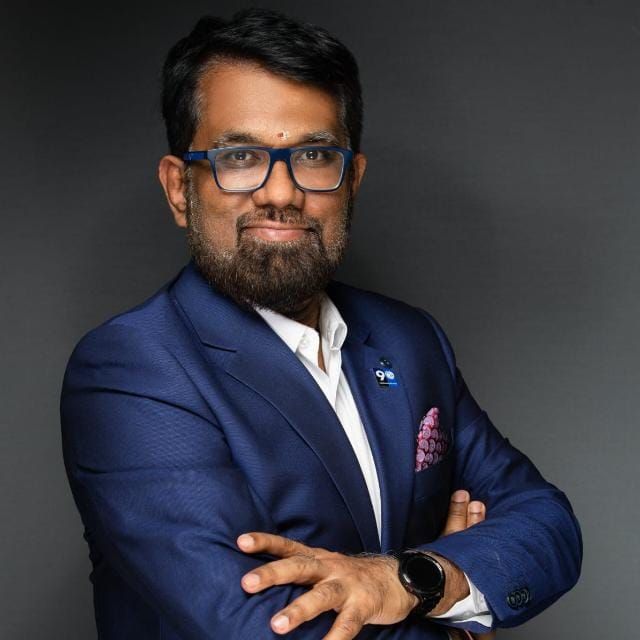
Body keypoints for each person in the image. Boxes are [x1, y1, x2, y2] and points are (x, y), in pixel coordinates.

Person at [60, 8, 582, 640]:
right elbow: (262, 629)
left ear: (351, 179)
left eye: (313, 154)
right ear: (179, 189)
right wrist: (453, 623)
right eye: (240, 156)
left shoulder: (409, 340)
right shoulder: (132, 370)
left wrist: (416, 579)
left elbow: (546, 522)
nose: (280, 192)